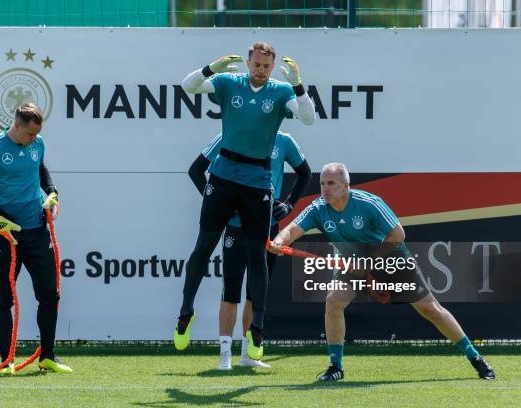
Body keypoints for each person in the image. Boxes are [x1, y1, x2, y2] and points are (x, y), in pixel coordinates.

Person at [270, 163, 496, 381]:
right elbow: (291, 230)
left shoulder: (369, 203)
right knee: (334, 303)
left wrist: (368, 263)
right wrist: (279, 241)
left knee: (431, 309)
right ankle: (335, 366)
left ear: (346, 186)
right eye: (322, 183)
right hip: (352, 264)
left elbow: (398, 234)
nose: (325, 189)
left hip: (390, 258)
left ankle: (475, 358)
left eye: (331, 183)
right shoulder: (318, 208)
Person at [176, 41, 316, 360]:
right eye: (256, 65)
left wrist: (297, 83)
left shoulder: (280, 92)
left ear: (272, 66)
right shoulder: (229, 82)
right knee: (203, 246)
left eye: (266, 66)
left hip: (257, 183)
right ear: (248, 62)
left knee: (257, 256)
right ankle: (185, 313)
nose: (260, 71)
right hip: (224, 178)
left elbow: (308, 118)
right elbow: (188, 86)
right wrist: (211, 67)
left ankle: (257, 328)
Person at [189, 129, 311, 370]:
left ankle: (247, 355)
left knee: (255, 293)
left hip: (267, 227)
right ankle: (225, 355)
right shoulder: (230, 134)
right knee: (231, 291)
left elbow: (305, 172)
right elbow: (195, 170)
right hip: (235, 226)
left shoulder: (284, 141)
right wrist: (218, 205)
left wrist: (288, 205)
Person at [0, 103, 72, 374]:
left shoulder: (38, 144)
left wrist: (51, 192)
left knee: (50, 295)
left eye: (37, 135)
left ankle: (47, 356)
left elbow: (40, 168)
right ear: (16, 125)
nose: (34, 139)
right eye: (30, 134)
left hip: (37, 230)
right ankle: (6, 361)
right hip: (6, 234)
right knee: (3, 299)